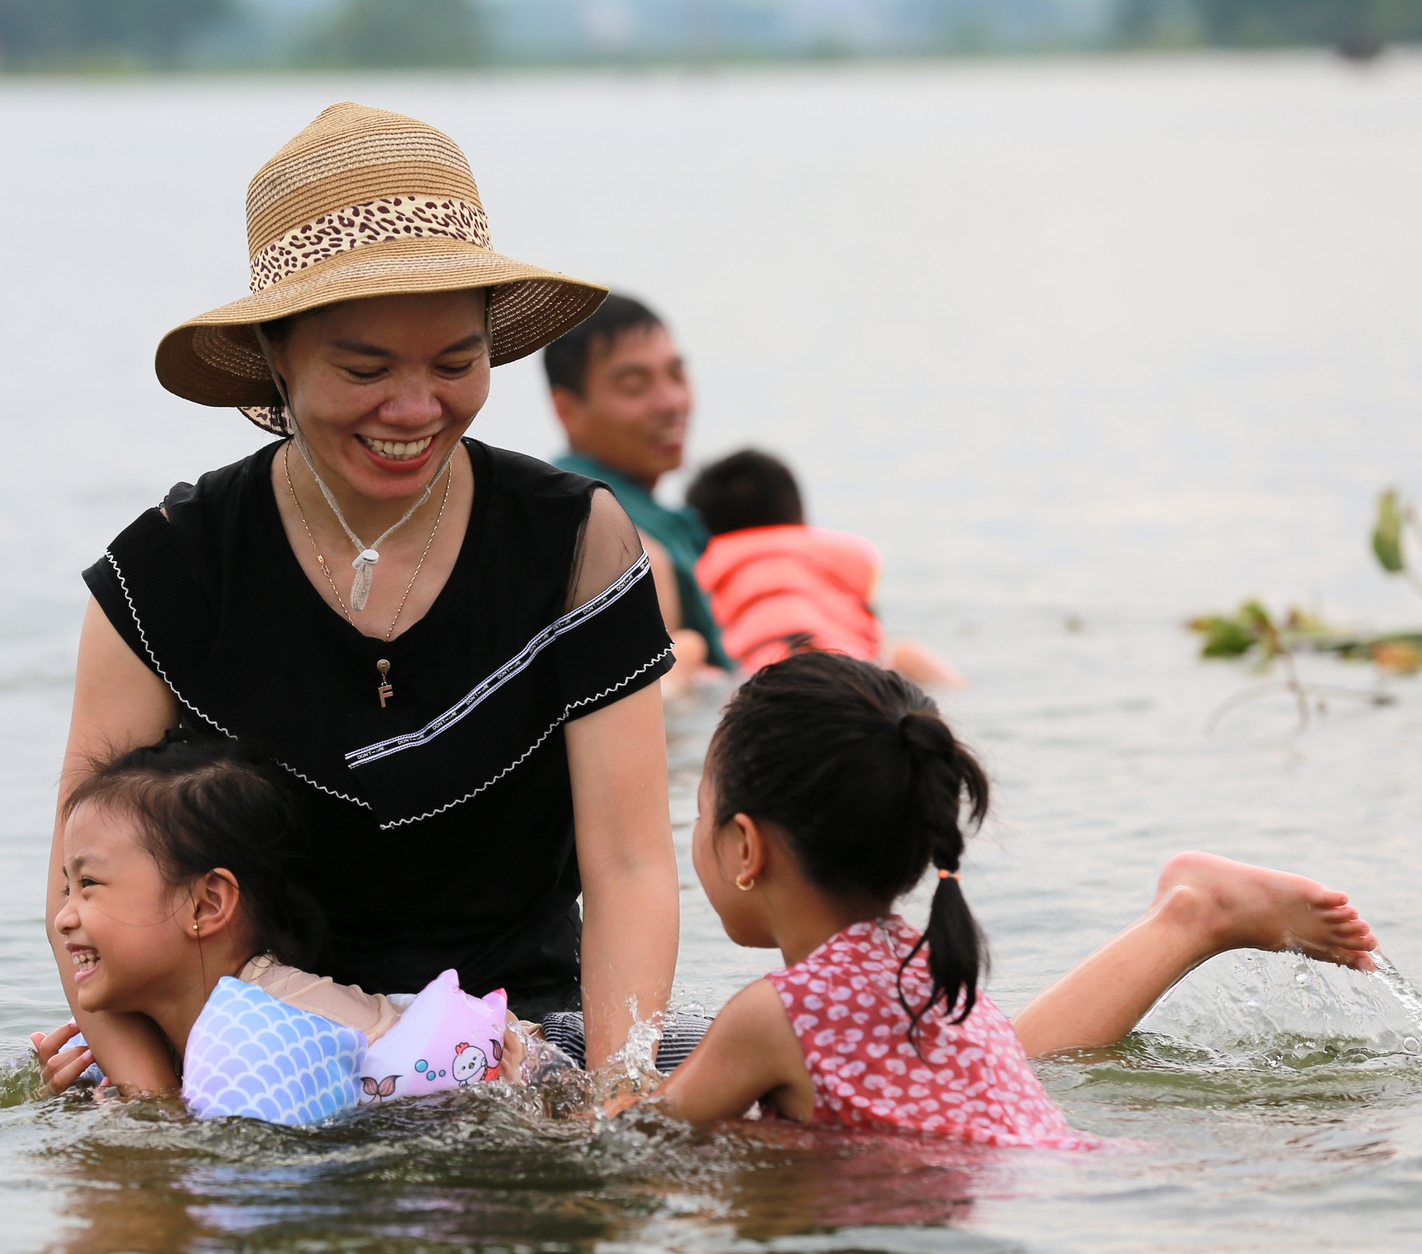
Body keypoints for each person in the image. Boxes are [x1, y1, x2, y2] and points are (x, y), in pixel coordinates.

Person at [48, 102, 687, 1093]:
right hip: (256, 1044)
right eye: (363, 368)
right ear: (273, 357)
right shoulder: (168, 574)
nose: (413, 409)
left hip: (516, 1029)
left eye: (455, 363)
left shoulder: (575, 541)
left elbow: (631, 868)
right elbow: (79, 887)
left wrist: (619, 1095)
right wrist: (155, 1101)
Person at [615, 653, 1380, 1143]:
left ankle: (1192, 917)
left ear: (745, 848)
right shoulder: (941, 980)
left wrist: (531, 1078)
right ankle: (1188, 919)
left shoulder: (767, 1018)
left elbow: (634, 1138)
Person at [31, 734, 526, 1121]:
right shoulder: (176, 1032)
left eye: (89, 883)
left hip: (539, 1061)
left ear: (206, 904)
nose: (63, 916)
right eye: (66, 888)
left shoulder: (271, 1032)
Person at [544, 295, 727, 689]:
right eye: (634, 386)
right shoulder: (628, 551)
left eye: (676, 376)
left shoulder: (549, 497)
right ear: (567, 409)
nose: (671, 403)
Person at [686, 448, 963, 686]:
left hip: (753, 681)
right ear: (799, 517)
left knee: (689, 648)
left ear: (702, 531)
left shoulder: (702, 562)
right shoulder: (840, 557)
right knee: (903, 653)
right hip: (859, 678)